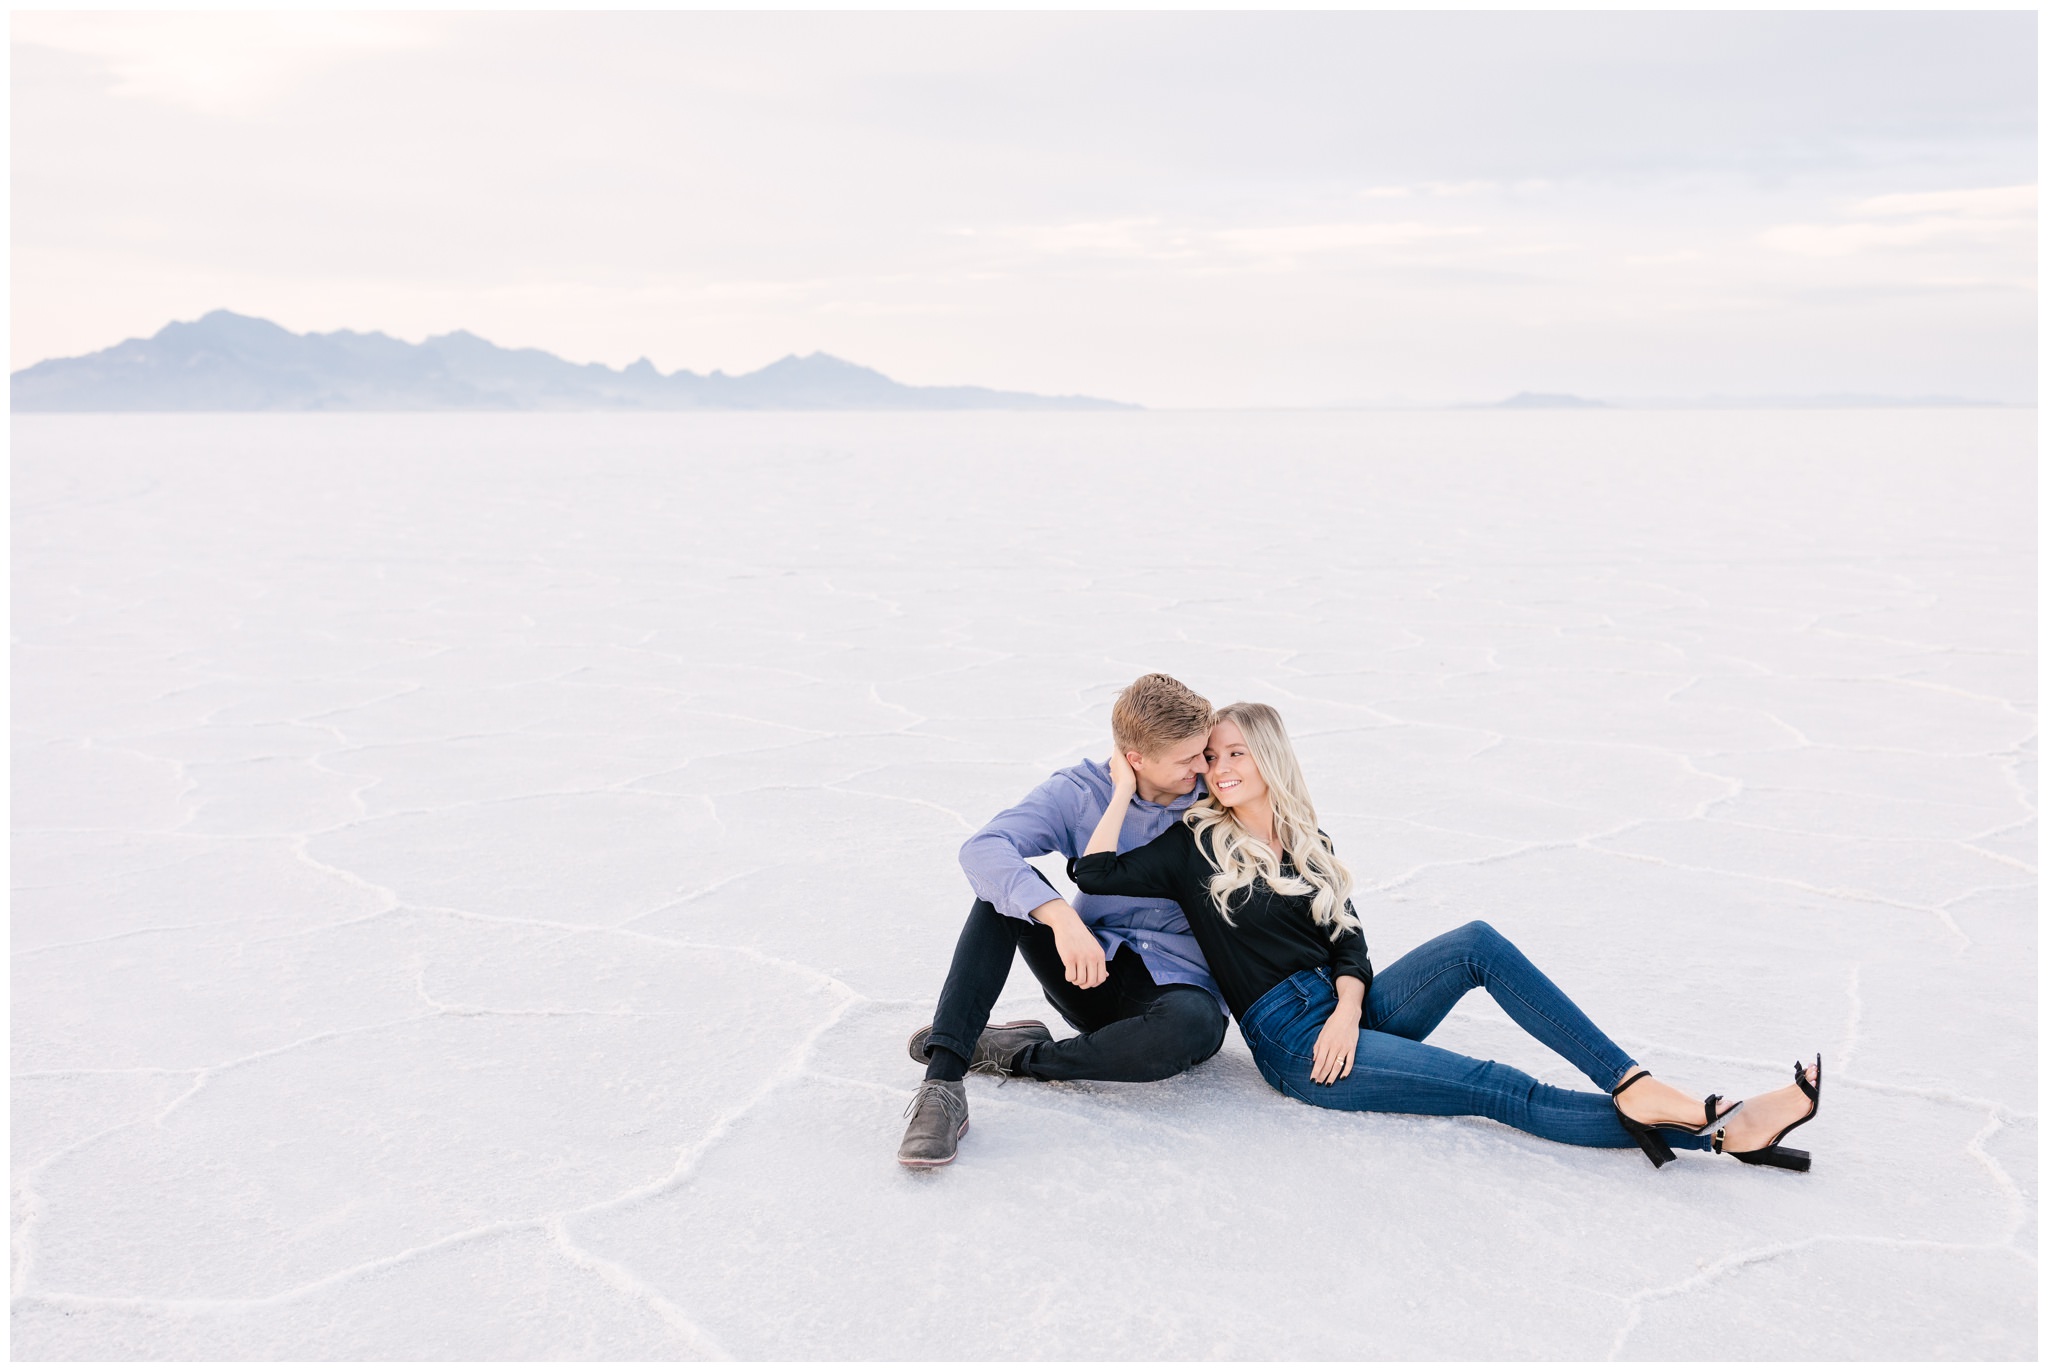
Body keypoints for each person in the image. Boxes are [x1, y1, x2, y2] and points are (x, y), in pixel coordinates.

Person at [1068, 701, 1824, 1170]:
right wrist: (1128, 788)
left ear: (1269, 758)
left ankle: (1632, 1082)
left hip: (1341, 1013)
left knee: (1476, 941)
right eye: (1212, 756)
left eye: (1236, 752)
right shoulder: (1194, 843)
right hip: (1291, 1041)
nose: (1219, 768)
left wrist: (1347, 1005)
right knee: (1496, 1088)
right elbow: (1093, 872)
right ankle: (1718, 1130)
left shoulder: (1307, 838)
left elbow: (1348, 945)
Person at [897, 674, 1232, 1168]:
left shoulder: (1221, 793)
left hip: (1177, 991)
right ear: (1135, 758)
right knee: (1002, 894)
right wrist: (1062, 920)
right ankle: (943, 1084)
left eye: (1204, 752)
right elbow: (984, 849)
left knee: (1195, 1027)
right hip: (1090, 968)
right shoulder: (1081, 793)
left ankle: (1014, 1055)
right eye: (1187, 759)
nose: (1203, 766)